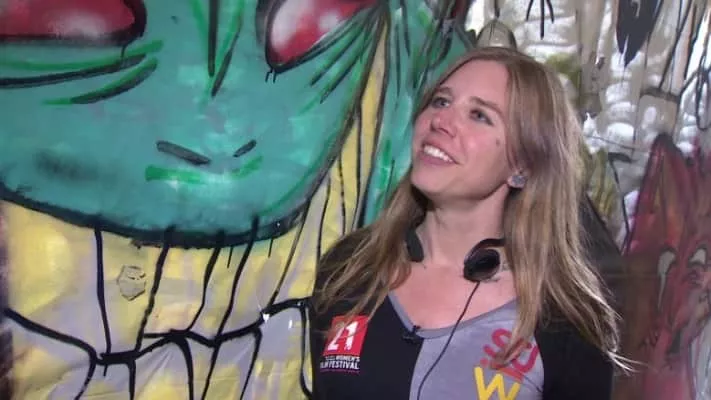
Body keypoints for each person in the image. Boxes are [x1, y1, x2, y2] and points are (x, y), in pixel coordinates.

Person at [307, 46, 626, 400]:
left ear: (522, 167)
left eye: (479, 115)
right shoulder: (350, 268)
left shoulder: (565, 321)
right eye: (441, 101)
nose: (441, 121)